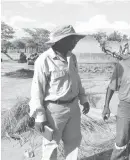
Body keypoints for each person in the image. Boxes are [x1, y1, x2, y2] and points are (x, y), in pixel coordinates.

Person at [29, 25, 90, 160]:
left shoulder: (72, 58)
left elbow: (77, 80)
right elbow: (36, 90)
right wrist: (40, 116)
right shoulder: (44, 60)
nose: (75, 42)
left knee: (73, 143)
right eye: (72, 39)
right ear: (60, 41)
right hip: (54, 111)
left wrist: (83, 99)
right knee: (50, 145)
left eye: (75, 39)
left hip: (73, 108)